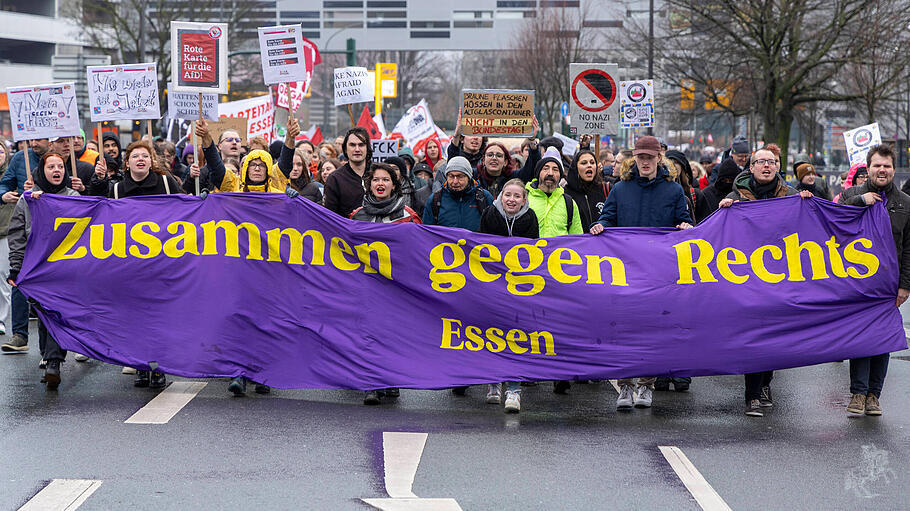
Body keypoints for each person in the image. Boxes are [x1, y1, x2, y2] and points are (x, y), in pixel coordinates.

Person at [590, 135, 693, 411]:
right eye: (640, 157)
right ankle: (625, 385)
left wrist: (684, 226)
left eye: (650, 157)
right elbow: (607, 218)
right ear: (634, 158)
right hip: (625, 273)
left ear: (659, 158)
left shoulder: (673, 191)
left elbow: (685, 220)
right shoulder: (620, 189)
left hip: (659, 275)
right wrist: (600, 225)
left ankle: (646, 385)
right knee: (624, 330)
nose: (645, 162)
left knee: (652, 331)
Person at [718, 147, 809, 417]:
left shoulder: (793, 196)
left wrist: (808, 204)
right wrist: (724, 212)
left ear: (778, 167)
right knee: (753, 336)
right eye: (761, 162)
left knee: (774, 337)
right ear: (752, 167)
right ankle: (752, 396)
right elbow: (720, 235)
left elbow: (807, 232)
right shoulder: (735, 197)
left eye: (772, 162)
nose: (766, 166)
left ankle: (766, 383)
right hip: (747, 279)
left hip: (781, 278)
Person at [97, 141, 182, 388]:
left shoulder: (165, 184)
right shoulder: (116, 190)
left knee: (158, 317)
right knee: (134, 318)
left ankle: (156, 366)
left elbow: (186, 209)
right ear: (127, 162)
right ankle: (140, 365)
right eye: (136, 156)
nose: (141, 159)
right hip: (130, 266)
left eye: (145, 155)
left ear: (151, 161)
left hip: (161, 263)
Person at [838, 145, 910, 417]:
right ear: (868, 168)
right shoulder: (852, 194)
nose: (883, 170)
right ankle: (857, 392)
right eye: (878, 165)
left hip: (889, 285)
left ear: (894, 170)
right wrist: (860, 202)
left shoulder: (905, 203)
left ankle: (873, 396)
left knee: (883, 340)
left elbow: (908, 248)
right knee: (860, 337)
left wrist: (905, 284)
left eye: (887, 166)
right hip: (858, 282)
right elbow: (834, 219)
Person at [7, 152, 85, 389]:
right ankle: (48, 355)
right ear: (43, 170)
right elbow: (18, 234)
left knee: (55, 311)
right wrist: (15, 267)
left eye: (60, 166)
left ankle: (54, 361)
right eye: (51, 166)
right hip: (37, 266)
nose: (56, 170)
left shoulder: (74, 197)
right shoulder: (29, 199)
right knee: (42, 312)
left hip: (65, 266)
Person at [479, 178, 539, 412]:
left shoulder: (530, 217)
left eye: (516, 196)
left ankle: (514, 389)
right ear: (500, 196)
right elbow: (480, 246)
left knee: (515, 336)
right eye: (507, 195)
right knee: (491, 333)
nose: (511, 199)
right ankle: (493, 382)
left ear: (524, 199)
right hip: (492, 285)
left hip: (519, 287)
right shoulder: (489, 214)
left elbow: (534, 251)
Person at [0, 138, 48, 353]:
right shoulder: (20, 157)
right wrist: (4, 194)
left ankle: (52, 348)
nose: (35, 142)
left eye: (40, 138)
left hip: (52, 232)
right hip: (25, 226)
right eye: (32, 139)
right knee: (17, 277)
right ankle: (20, 334)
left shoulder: (60, 157)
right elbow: (5, 182)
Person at [324, 127, 371, 218]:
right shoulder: (335, 179)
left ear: (367, 148)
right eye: (352, 145)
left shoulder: (379, 173)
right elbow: (330, 216)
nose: (357, 149)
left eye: (361, 145)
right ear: (345, 149)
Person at [564, 149, 609, 233]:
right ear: (575, 167)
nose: (589, 166)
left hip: (602, 244)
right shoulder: (565, 193)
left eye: (592, 162)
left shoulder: (606, 189)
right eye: (584, 163)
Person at [697, 158, 740, 222]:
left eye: (731, 181)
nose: (727, 183)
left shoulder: (740, 193)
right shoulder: (707, 194)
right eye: (724, 180)